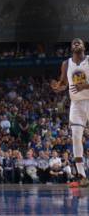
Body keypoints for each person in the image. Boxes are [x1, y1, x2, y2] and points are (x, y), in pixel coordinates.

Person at [51, 37, 89, 187]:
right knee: (76, 137)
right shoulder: (66, 64)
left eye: (79, 42)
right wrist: (58, 87)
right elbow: (64, 83)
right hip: (76, 104)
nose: (76, 43)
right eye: (74, 43)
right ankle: (82, 175)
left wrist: (84, 86)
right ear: (71, 48)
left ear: (84, 46)